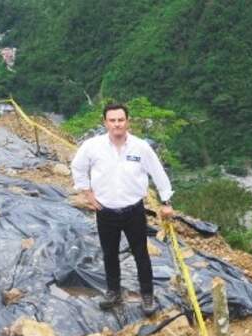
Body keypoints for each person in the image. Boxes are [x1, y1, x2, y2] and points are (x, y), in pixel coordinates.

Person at [70, 102, 174, 315]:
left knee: (141, 254)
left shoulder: (141, 147)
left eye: (120, 120)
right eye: (112, 120)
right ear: (105, 122)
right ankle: (113, 292)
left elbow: (158, 173)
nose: (117, 124)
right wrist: (87, 192)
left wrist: (166, 202)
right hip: (105, 210)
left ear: (128, 122)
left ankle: (147, 295)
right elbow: (78, 167)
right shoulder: (92, 146)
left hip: (133, 210)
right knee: (109, 254)